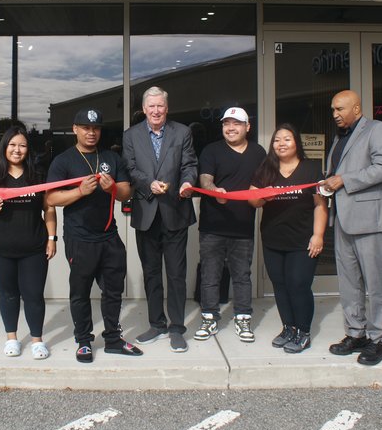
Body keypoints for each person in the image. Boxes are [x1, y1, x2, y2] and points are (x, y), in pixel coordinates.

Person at [45, 109, 142, 363]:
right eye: (86, 128)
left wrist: (113, 188)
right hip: (80, 238)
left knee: (113, 291)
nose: (91, 132)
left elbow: (125, 192)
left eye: (96, 128)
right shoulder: (63, 161)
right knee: (80, 291)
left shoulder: (111, 156)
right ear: (75, 129)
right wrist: (79, 191)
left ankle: (113, 339)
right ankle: (84, 341)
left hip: (109, 235)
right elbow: (51, 198)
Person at [0, 125, 56, 359]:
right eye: (13, 145)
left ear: (28, 149)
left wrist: (51, 238)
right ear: (4, 147)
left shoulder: (37, 175)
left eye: (23, 145)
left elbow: (49, 208)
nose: (17, 150)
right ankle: (12, 338)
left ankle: (37, 340)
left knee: (34, 294)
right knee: (8, 293)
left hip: (34, 247)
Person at [122, 86, 198, 353]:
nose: (156, 110)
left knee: (177, 275)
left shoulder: (182, 132)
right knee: (152, 273)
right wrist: (147, 184)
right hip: (146, 213)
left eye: (160, 106)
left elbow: (189, 164)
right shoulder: (131, 135)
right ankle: (157, 324)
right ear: (144, 109)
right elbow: (130, 168)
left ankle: (177, 327)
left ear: (167, 108)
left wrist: (187, 183)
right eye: (151, 106)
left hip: (175, 210)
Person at [324, 90, 382, 366]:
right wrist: (327, 182)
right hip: (343, 219)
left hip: (372, 221)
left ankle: (378, 340)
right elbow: (336, 174)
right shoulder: (340, 138)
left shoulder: (378, 129)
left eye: (340, 109)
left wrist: (343, 180)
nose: (335, 114)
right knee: (350, 282)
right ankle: (356, 334)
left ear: (357, 108)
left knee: (376, 283)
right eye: (332, 109)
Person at [249, 124, 328, 353]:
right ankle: (288, 328)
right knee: (280, 286)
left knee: (298, 284)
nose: (281, 144)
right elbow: (252, 200)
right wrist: (265, 197)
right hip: (273, 239)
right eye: (276, 140)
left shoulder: (311, 169)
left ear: (297, 143)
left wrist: (318, 235)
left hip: (303, 240)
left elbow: (320, 204)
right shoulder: (267, 168)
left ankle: (303, 332)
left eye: (287, 139)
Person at [195, 106, 266, 343]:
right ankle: (209, 317)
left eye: (236, 124)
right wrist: (213, 190)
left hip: (243, 226)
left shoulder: (258, 153)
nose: (231, 128)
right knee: (210, 275)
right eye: (227, 124)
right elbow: (205, 178)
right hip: (212, 225)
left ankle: (243, 318)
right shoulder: (211, 150)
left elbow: (263, 185)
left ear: (248, 127)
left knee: (242, 275)